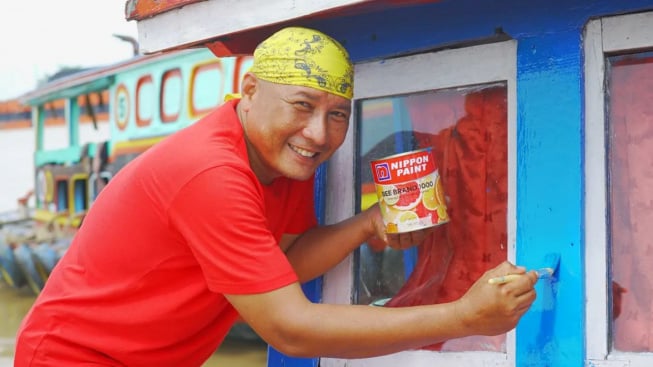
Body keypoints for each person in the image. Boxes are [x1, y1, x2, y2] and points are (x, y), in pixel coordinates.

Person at [15, 26, 537, 366]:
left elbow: (286, 260)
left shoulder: (282, 159)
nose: (317, 133)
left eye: (337, 115)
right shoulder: (211, 172)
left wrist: (367, 225)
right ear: (248, 92)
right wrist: (465, 319)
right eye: (301, 106)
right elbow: (290, 328)